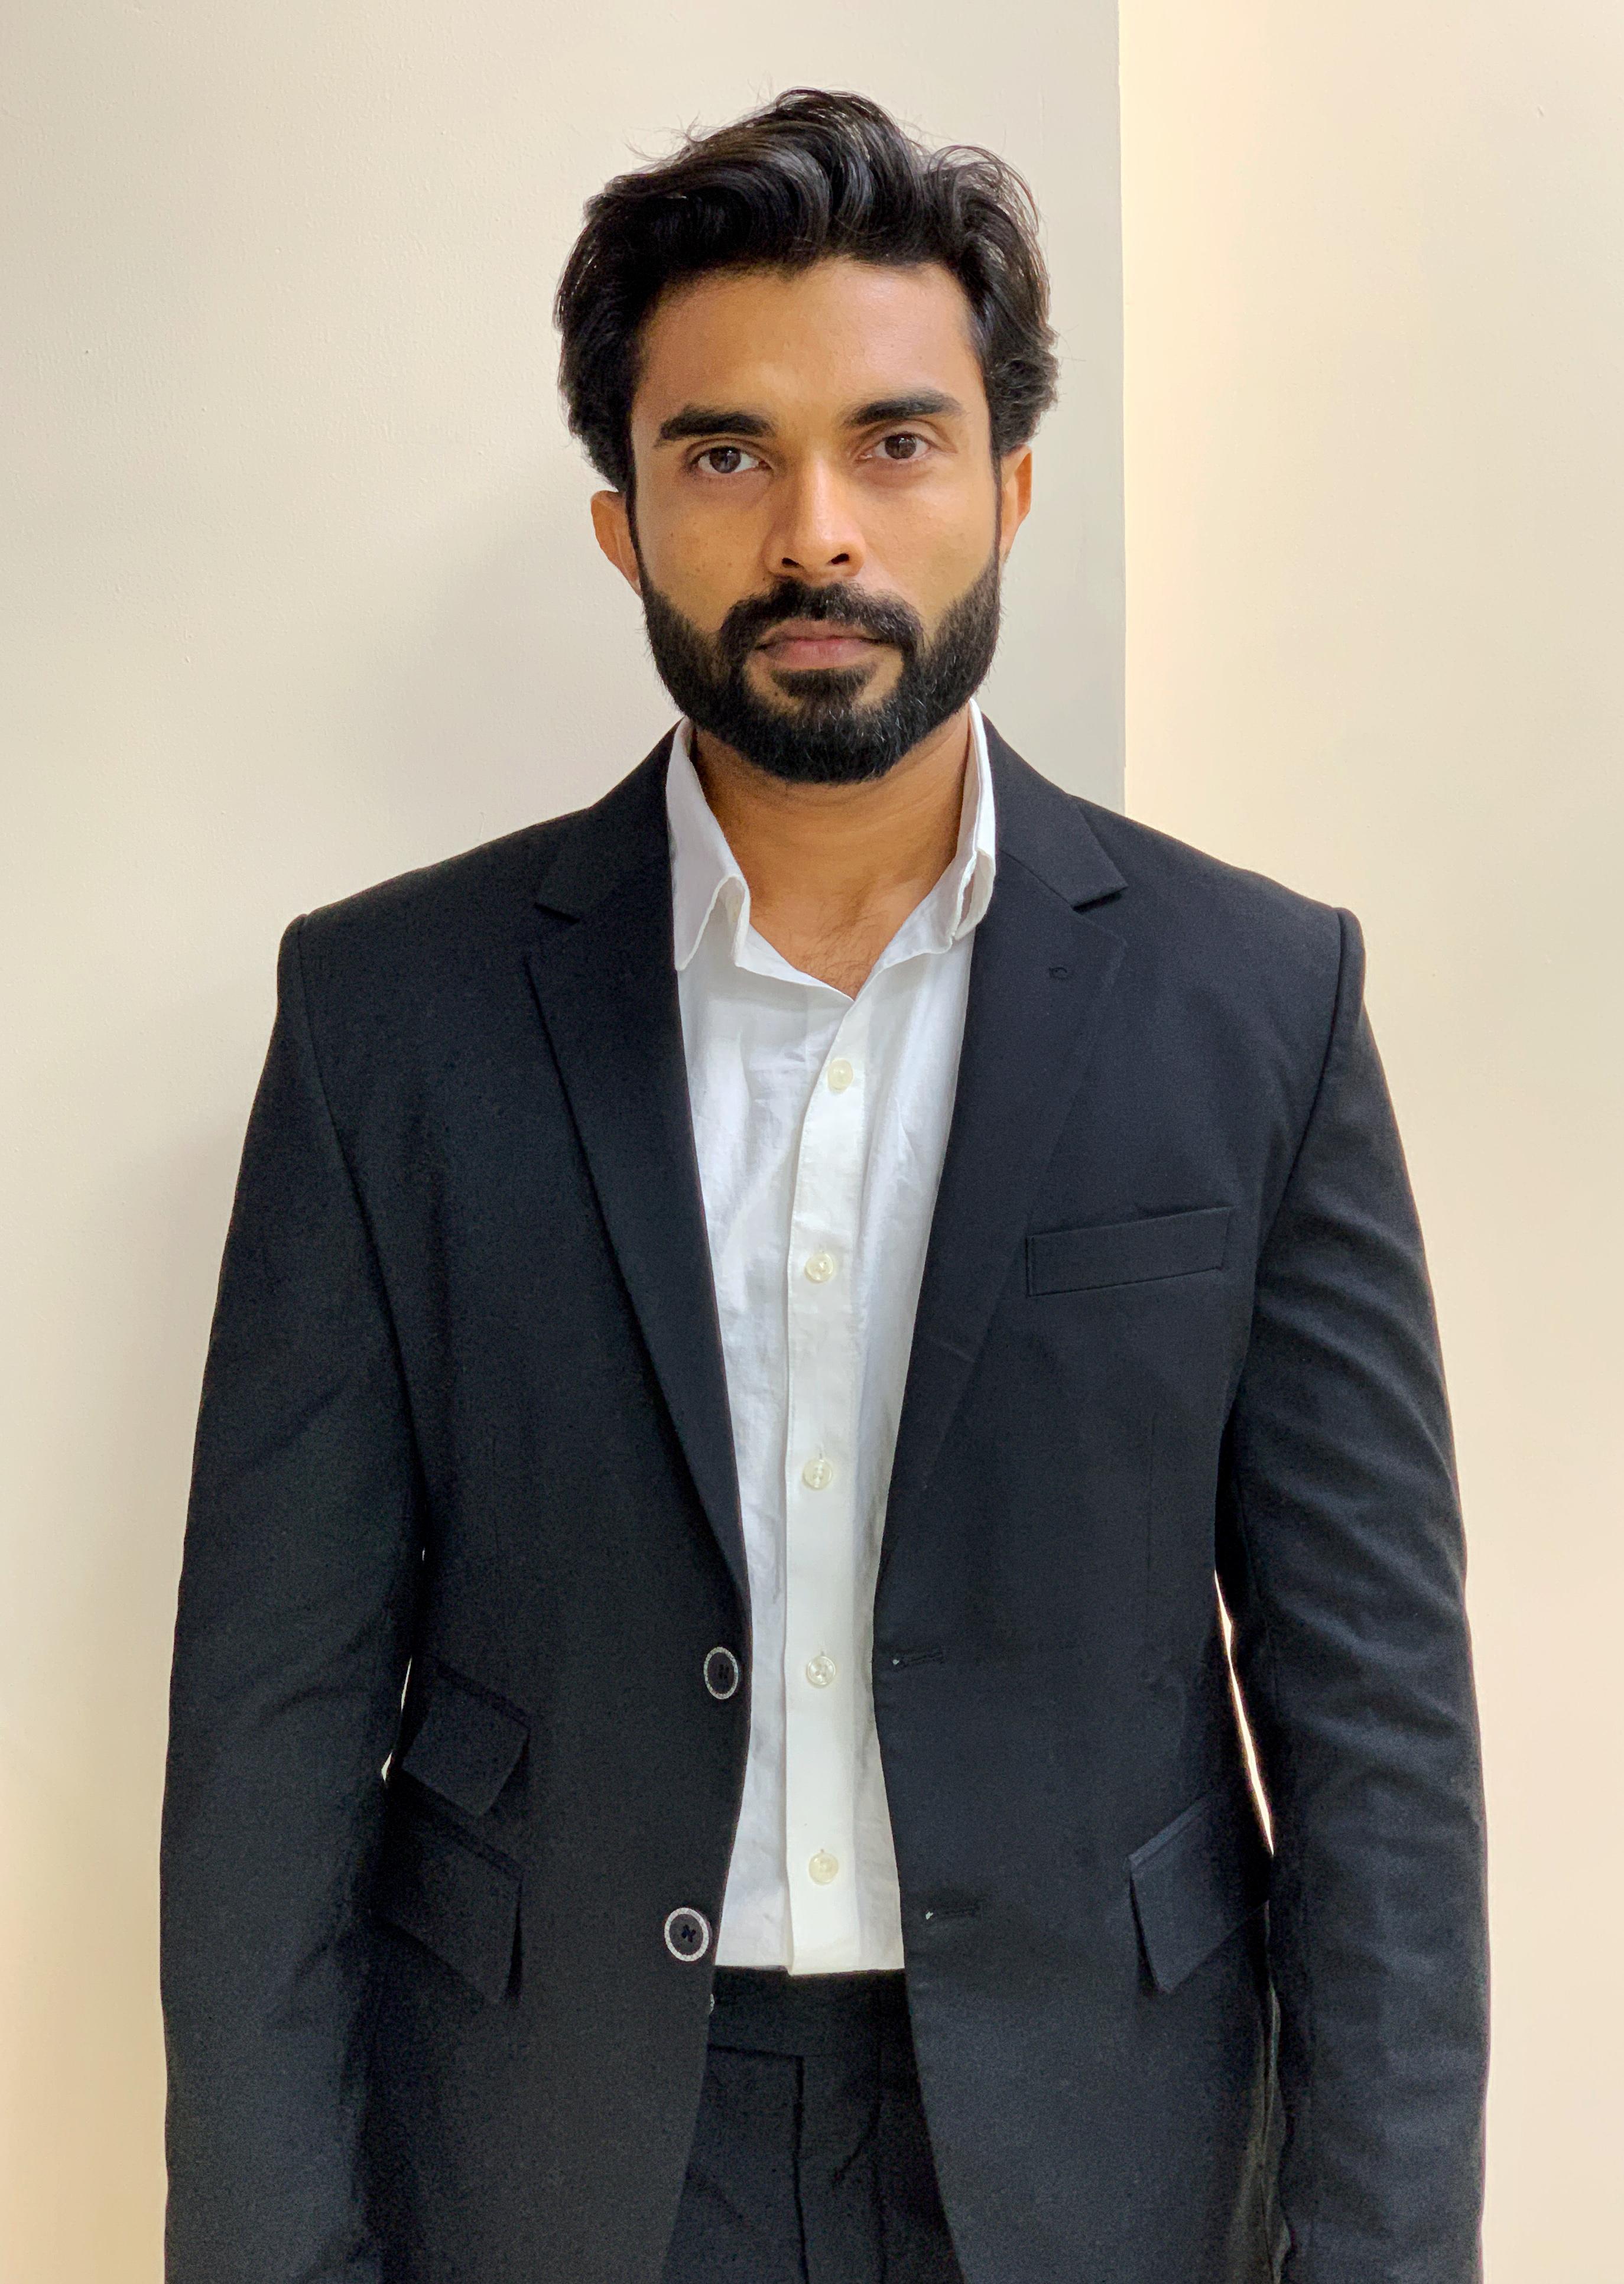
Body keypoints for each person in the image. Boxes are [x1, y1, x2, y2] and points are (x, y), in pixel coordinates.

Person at [160, 87, 1489, 2284]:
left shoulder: (1257, 1004)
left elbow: (1374, 1729)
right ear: (623, 521)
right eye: (724, 454)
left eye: (894, 442)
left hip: (1097, 2154)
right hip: (549, 2144)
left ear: (1007, 488)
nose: (815, 533)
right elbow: (270, 1724)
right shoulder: (392, 1017)